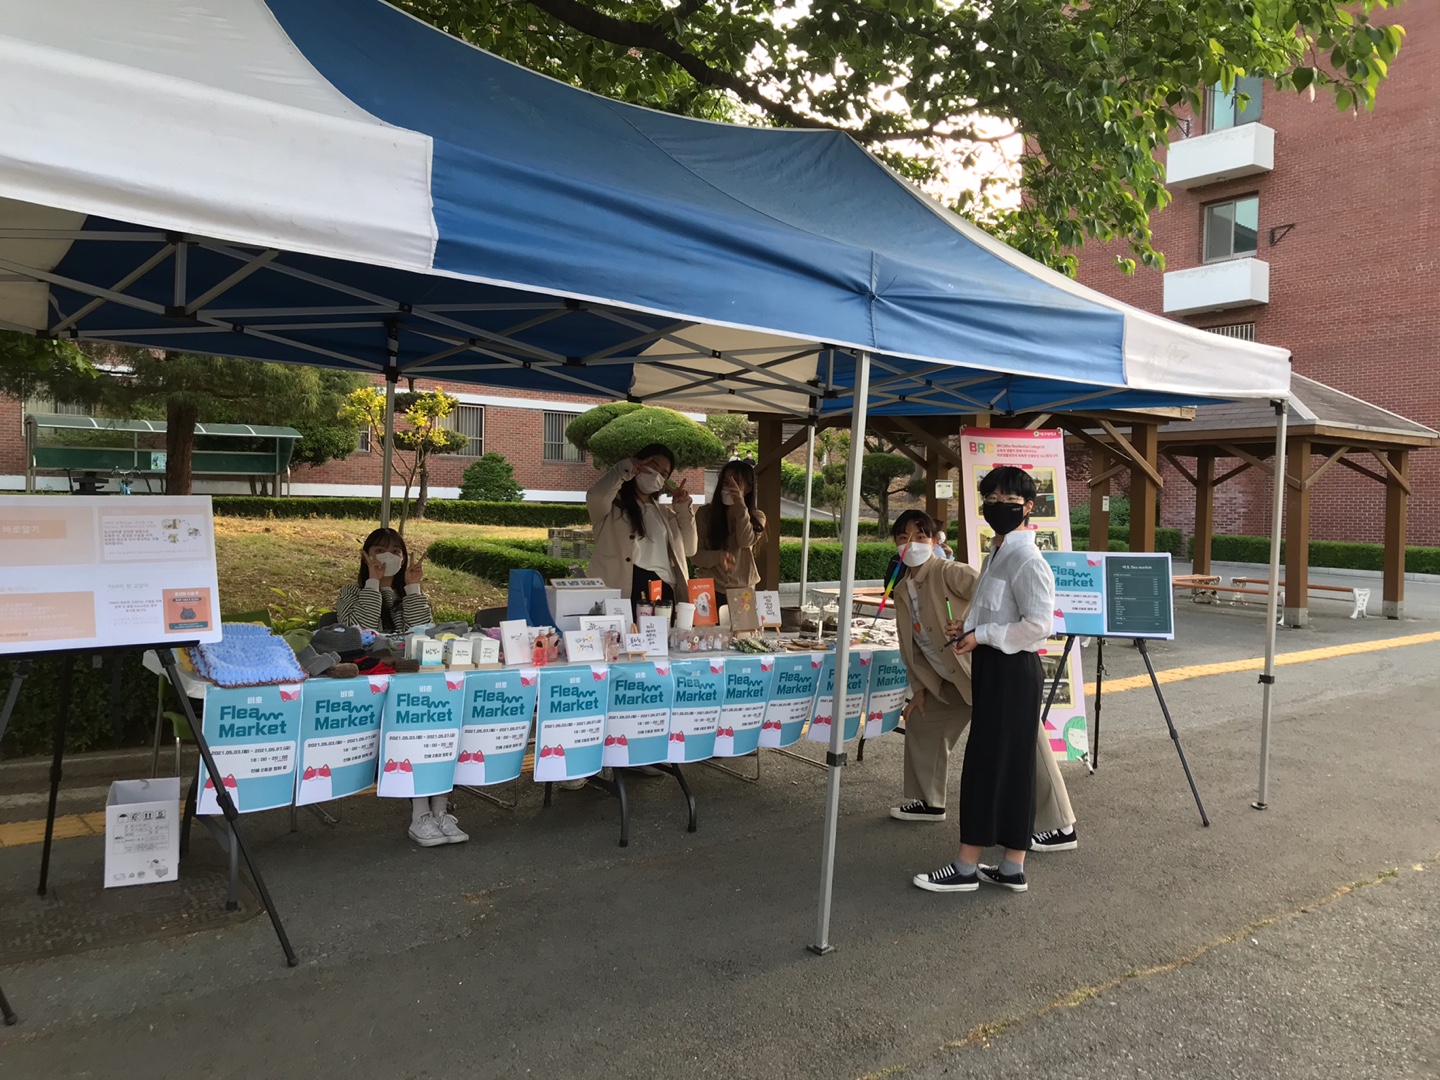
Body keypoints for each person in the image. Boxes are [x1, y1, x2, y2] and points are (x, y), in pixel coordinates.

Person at [888, 511, 1078, 849]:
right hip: (948, 680)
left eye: (920, 537)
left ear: (934, 541)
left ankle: (1060, 825)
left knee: (1027, 741)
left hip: (983, 671)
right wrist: (919, 689)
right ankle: (929, 801)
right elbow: (910, 647)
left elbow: (992, 595)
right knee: (923, 720)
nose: (911, 545)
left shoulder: (949, 571)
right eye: (903, 538)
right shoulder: (902, 589)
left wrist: (970, 623)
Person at [913, 466, 1057, 895]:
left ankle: (966, 866)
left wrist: (984, 634)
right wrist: (969, 627)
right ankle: (1012, 866)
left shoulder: (1028, 559)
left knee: (988, 765)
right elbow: (1000, 610)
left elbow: (1039, 625)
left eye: (1008, 501)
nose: (997, 507)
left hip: (1013, 671)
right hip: (995, 668)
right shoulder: (997, 554)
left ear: (1028, 507)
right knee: (1006, 765)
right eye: (990, 500)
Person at [337, 528, 468, 849]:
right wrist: (373, 583)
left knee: (443, 725)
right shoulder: (351, 592)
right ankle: (420, 814)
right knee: (412, 730)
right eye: (380, 550)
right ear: (366, 555)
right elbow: (360, 630)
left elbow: (424, 632)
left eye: (396, 551)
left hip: (415, 678)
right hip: (374, 684)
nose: (388, 556)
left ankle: (440, 810)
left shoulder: (406, 593)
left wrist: (412, 588)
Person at [587, 443, 696, 620]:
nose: (656, 475)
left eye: (663, 474)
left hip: (663, 590)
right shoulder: (612, 506)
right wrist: (624, 468)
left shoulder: (666, 514)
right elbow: (596, 496)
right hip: (627, 588)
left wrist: (683, 509)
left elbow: (690, 549)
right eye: (653, 466)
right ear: (639, 463)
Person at [691, 459, 767, 608]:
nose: (729, 487)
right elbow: (696, 555)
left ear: (748, 488)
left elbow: (745, 541)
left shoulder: (757, 517)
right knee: (710, 624)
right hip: (709, 588)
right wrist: (718, 557)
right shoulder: (705, 514)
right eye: (725, 482)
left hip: (743, 590)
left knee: (742, 624)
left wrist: (739, 504)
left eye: (736, 483)